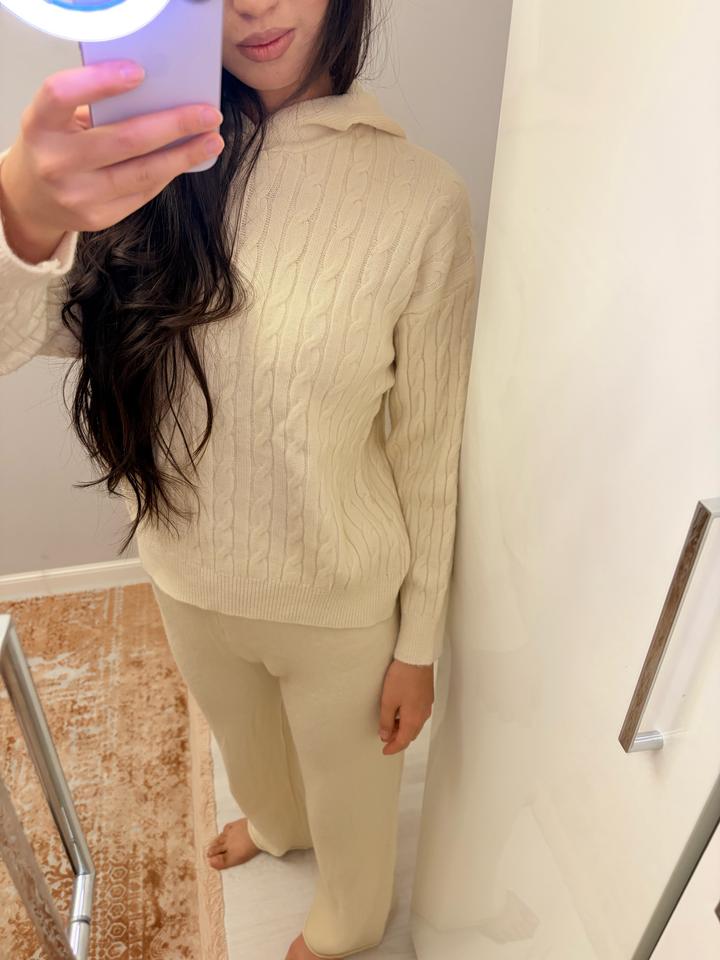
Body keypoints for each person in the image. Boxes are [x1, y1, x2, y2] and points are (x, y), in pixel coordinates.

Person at [0, 1, 477, 957]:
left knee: (352, 807)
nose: (253, 6)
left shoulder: (422, 199)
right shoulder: (145, 171)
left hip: (336, 599)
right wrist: (22, 216)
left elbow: (429, 445)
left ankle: (347, 928)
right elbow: (19, 338)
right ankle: (274, 826)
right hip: (187, 578)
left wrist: (419, 645)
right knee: (253, 763)